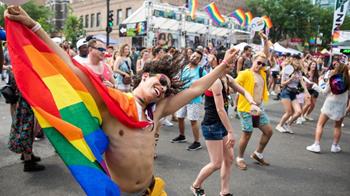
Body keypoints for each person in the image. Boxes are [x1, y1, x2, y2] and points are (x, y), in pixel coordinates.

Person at [5, 6, 239, 194]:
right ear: (145, 76)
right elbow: (70, 66)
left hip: (151, 190)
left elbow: (196, 87)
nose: (163, 88)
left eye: (167, 87)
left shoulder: (157, 111)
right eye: (161, 80)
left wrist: (222, 67)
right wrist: (33, 25)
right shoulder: (110, 102)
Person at [191, 52, 259, 196]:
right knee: (216, 163)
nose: (234, 64)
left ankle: (224, 192)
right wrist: (231, 132)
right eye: (232, 61)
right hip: (211, 125)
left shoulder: (227, 78)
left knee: (228, 159)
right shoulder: (215, 81)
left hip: (221, 124)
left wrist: (252, 102)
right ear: (222, 61)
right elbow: (220, 109)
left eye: (234, 61)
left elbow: (244, 91)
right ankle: (196, 186)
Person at [235, 32, 273, 170]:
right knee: (247, 133)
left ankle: (258, 154)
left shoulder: (262, 73)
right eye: (258, 62)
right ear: (253, 61)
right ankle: (239, 158)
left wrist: (265, 40)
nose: (260, 65)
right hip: (246, 108)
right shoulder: (245, 73)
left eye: (262, 64)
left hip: (259, 107)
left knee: (268, 131)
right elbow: (235, 86)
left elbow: (266, 55)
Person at [306, 60, 349, 153]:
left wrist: (316, 85)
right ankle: (335, 146)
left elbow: (324, 92)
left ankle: (316, 145)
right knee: (337, 126)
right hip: (342, 105)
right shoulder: (348, 81)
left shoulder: (332, 79)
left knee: (320, 124)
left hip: (330, 103)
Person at [171, 50, 207, 151]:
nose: (194, 58)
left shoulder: (201, 70)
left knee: (193, 120)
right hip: (182, 96)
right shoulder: (184, 68)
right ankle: (182, 136)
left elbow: (208, 81)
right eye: (193, 56)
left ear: (199, 61)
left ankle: (197, 142)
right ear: (190, 56)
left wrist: (201, 92)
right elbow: (179, 79)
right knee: (180, 117)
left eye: (197, 58)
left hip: (194, 99)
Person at [275, 58, 311, 133]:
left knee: (298, 112)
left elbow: (302, 82)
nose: (297, 64)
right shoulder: (286, 70)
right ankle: (279, 125)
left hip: (293, 93)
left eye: (298, 63)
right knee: (289, 112)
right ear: (292, 63)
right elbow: (282, 83)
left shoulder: (299, 72)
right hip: (286, 92)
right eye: (296, 63)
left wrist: (307, 92)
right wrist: (290, 79)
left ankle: (287, 124)